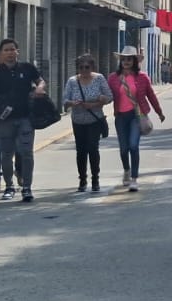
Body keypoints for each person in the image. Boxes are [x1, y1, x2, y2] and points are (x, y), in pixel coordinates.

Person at [0, 38, 46, 203]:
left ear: (18, 51)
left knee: (26, 153)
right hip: (4, 119)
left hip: (25, 117)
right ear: (1, 54)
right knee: (6, 153)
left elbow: (40, 81)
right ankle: (9, 186)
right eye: (6, 50)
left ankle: (27, 187)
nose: (10, 53)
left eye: (12, 49)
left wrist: (39, 88)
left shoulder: (27, 68)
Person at [109, 46, 162, 191]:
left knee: (133, 145)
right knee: (123, 149)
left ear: (134, 61)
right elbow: (107, 95)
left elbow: (151, 95)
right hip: (120, 117)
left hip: (136, 116)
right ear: (120, 61)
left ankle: (134, 178)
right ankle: (126, 170)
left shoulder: (142, 77)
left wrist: (159, 112)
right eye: (124, 59)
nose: (126, 62)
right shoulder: (113, 78)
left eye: (129, 59)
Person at [63, 53, 112, 193]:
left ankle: (95, 179)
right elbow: (64, 100)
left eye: (87, 67)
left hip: (94, 119)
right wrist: (72, 103)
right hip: (78, 121)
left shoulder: (99, 79)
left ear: (92, 67)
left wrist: (96, 103)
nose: (84, 70)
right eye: (81, 67)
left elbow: (109, 97)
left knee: (92, 148)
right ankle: (82, 179)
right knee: (81, 151)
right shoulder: (72, 81)